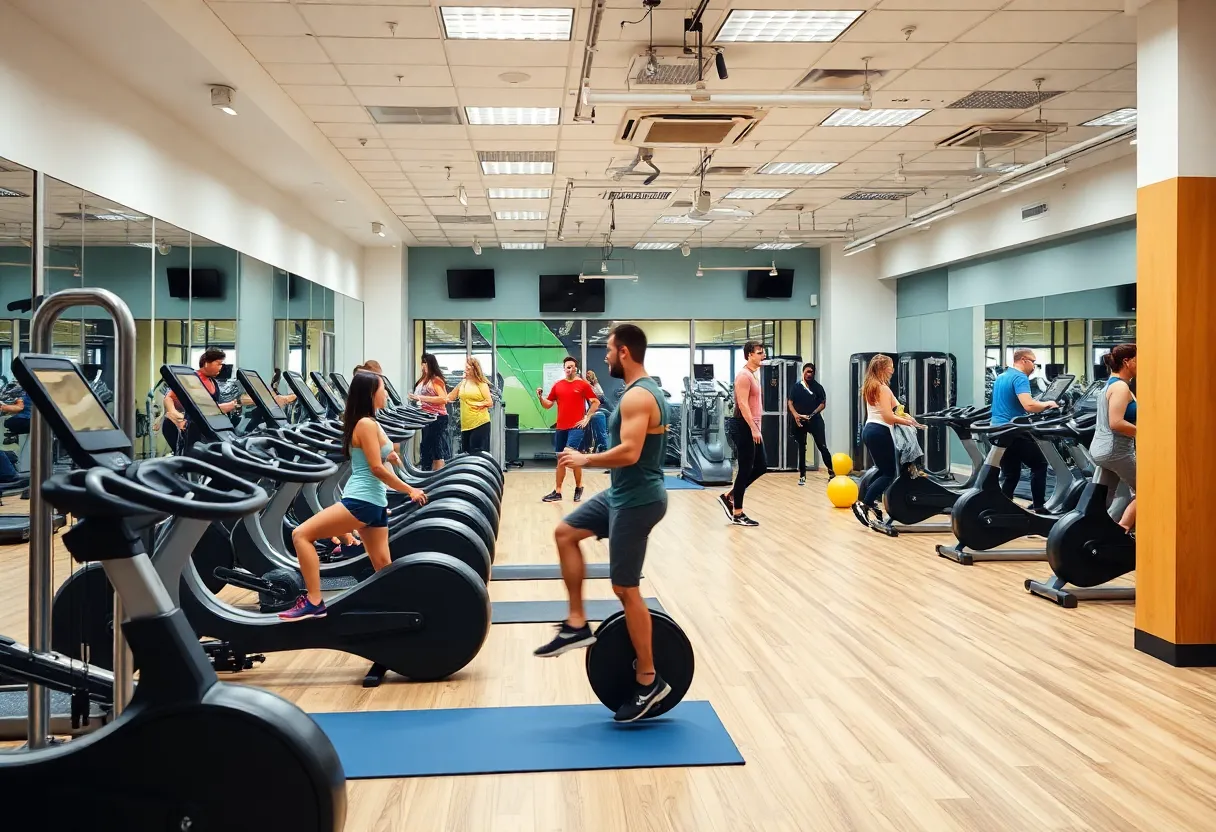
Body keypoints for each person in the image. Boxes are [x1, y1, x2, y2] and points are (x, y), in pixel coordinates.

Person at [534, 323, 671, 722]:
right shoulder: (633, 393)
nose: (606, 356)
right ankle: (577, 622)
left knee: (625, 589)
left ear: (625, 351)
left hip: (638, 500)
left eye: (609, 349)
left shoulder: (640, 396)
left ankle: (649, 681)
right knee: (565, 533)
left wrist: (585, 460)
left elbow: (629, 452)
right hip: (621, 494)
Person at [279, 371, 428, 620]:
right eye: (382, 389)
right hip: (370, 503)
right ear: (371, 394)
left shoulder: (369, 422)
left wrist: (406, 479)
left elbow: (382, 461)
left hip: (364, 502)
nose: (385, 393)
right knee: (383, 566)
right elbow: (377, 467)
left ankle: (315, 601)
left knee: (300, 534)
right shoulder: (367, 424)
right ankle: (402, 609)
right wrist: (407, 487)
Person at [852, 354, 922, 528]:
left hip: (872, 430)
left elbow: (897, 409)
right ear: (883, 368)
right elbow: (888, 416)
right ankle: (865, 503)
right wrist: (908, 422)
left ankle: (870, 502)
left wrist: (911, 419)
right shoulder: (881, 388)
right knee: (888, 473)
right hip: (879, 431)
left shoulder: (875, 386)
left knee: (881, 469)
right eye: (890, 366)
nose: (893, 369)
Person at [990, 348, 1059, 512]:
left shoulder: (1002, 376)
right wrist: (1048, 404)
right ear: (1023, 360)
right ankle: (1039, 507)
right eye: (1033, 362)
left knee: (1011, 474)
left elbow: (1017, 402)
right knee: (1040, 465)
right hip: (1014, 430)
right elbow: (1029, 406)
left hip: (998, 428)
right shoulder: (1020, 377)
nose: (1034, 366)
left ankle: (1002, 509)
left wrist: (1037, 403)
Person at [718, 341, 767, 527]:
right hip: (744, 426)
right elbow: (743, 404)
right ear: (749, 355)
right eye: (759, 353)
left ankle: (730, 495)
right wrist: (754, 428)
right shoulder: (744, 376)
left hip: (752, 426)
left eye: (763, 352)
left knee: (761, 466)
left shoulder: (754, 375)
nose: (763, 356)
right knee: (746, 467)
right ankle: (737, 512)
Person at [538, 357, 599, 503]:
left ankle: (578, 486)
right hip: (561, 427)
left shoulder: (583, 385)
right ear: (564, 369)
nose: (569, 369)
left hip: (576, 427)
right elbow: (548, 405)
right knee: (561, 459)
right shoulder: (558, 385)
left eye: (571, 367)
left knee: (568, 455)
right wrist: (540, 397)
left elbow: (595, 402)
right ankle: (558, 492)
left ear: (575, 368)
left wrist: (587, 417)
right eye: (567, 367)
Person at [1090, 344, 1137, 532]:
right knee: (1148, 490)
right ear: (1127, 361)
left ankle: (1099, 531)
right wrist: (1145, 433)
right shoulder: (1120, 388)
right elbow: (1116, 422)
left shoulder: (1111, 385)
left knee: (1105, 497)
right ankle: (1122, 530)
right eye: (1138, 359)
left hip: (1105, 449)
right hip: (1116, 451)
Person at [162, 348, 239, 453]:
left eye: (222, 364)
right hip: (182, 426)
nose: (221, 367)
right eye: (218, 364)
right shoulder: (193, 378)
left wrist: (223, 408)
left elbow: (207, 406)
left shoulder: (212, 381)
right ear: (206, 363)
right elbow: (169, 397)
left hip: (199, 427)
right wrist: (174, 413)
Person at [412, 356, 493, 453]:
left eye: (468, 368)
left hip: (480, 422)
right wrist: (427, 397)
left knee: (477, 451)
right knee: (467, 453)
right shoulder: (463, 383)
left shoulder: (481, 384)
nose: (465, 370)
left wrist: (476, 404)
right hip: (466, 424)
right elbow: (449, 397)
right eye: (465, 368)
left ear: (475, 369)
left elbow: (489, 402)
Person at [786, 362, 831, 485]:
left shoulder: (818, 387)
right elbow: (790, 402)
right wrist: (796, 415)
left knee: (822, 446)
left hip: (815, 421)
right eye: (807, 372)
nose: (809, 374)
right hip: (800, 421)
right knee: (802, 448)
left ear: (814, 373)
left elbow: (823, 404)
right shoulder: (796, 387)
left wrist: (812, 414)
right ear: (803, 372)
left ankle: (831, 472)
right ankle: (802, 475)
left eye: (811, 372)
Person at [411, 353, 452, 470]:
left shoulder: (435, 380)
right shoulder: (423, 380)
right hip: (425, 417)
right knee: (426, 446)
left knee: (435, 447)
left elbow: (443, 398)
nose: (422, 366)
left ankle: (437, 476)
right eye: (422, 363)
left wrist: (421, 398)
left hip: (437, 417)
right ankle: (427, 472)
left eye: (424, 363)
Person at [584, 370, 611, 453]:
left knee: (601, 432)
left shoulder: (592, 385)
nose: (587, 375)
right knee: (603, 432)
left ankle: (604, 448)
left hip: (599, 410)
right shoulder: (593, 385)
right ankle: (603, 447)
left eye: (589, 374)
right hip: (601, 410)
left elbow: (600, 394)